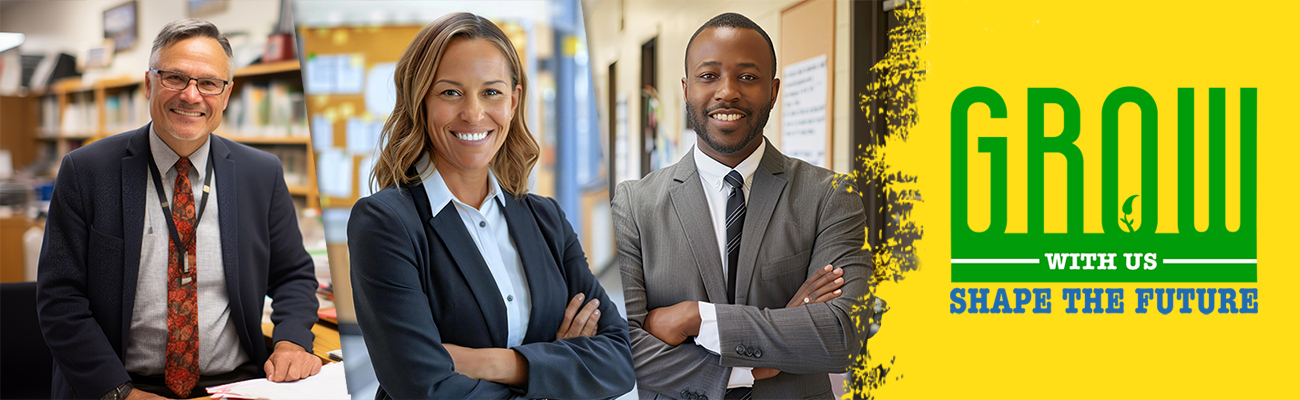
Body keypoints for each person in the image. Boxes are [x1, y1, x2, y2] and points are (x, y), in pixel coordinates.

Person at [346, 12, 635, 399]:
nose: (473, 113)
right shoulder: (385, 223)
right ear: (420, 101)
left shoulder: (545, 218)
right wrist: (558, 368)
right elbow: (425, 388)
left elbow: (622, 358)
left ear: (513, 101)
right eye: (450, 93)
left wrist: (499, 364)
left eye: (491, 92)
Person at [36, 19, 322, 400]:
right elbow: (60, 299)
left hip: (232, 385)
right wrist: (120, 392)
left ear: (227, 94)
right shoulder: (86, 172)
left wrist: (291, 341)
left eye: (209, 83)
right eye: (175, 77)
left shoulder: (261, 173)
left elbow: (293, 275)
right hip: (123, 385)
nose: (191, 95)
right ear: (148, 83)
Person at [613, 12, 870, 399]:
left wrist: (697, 317)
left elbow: (843, 334)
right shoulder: (634, 205)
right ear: (686, 89)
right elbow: (622, 348)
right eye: (708, 75)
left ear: (773, 91)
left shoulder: (829, 196)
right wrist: (752, 366)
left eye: (748, 77)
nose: (727, 92)